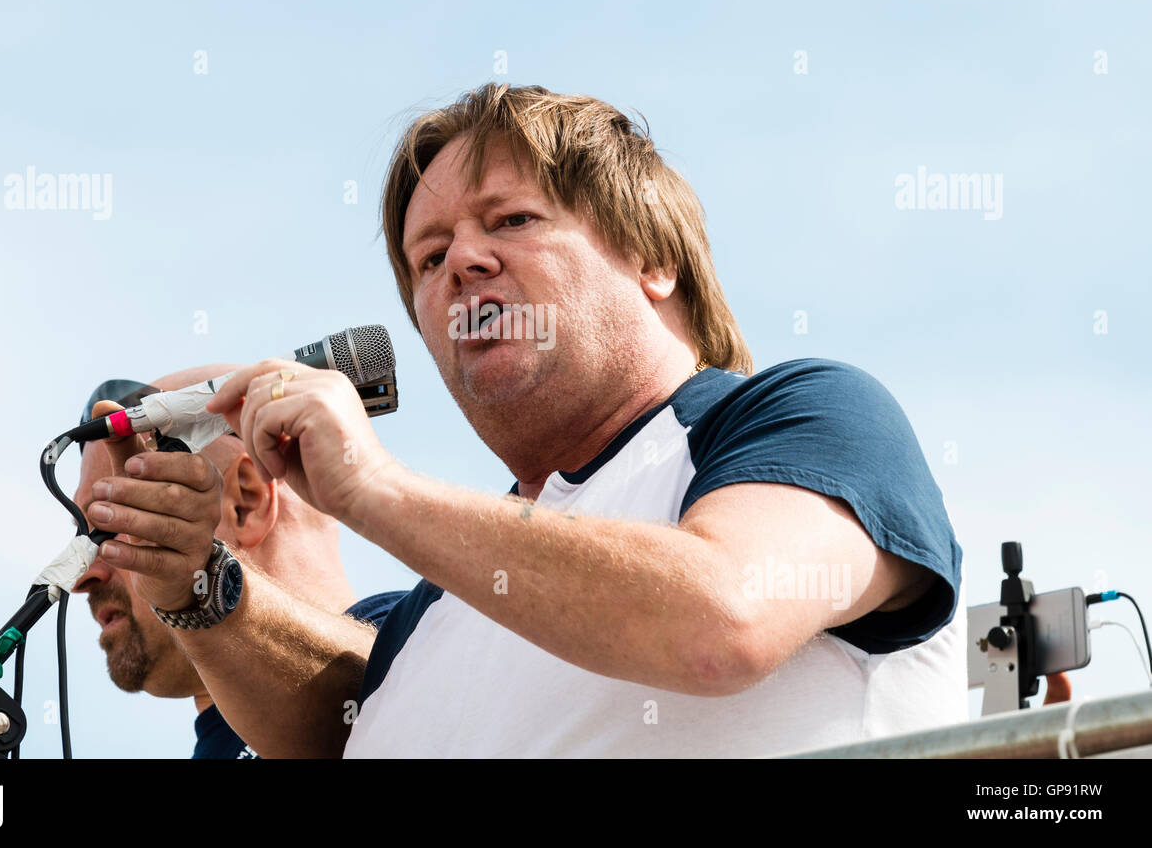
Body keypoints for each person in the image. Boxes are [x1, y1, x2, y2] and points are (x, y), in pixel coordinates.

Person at [84, 83, 967, 757]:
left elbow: (721, 622)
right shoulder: (444, 603)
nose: (463, 262)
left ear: (653, 258)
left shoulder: (804, 415)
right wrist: (196, 585)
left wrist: (372, 486)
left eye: (511, 219)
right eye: (428, 258)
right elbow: (324, 737)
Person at [70, 368, 404, 758]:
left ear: (245, 501)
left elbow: (376, 683)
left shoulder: (437, 636)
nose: (84, 574)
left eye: (114, 521)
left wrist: (203, 589)